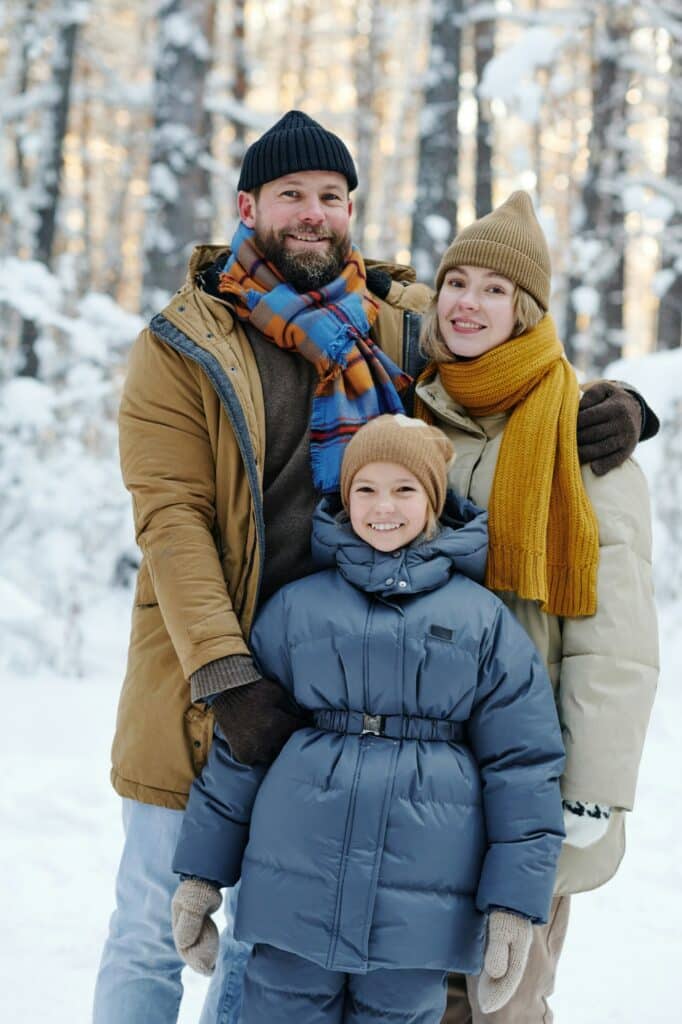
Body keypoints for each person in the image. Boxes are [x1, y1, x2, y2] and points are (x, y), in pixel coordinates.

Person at [92, 107, 656, 1024]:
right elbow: (173, 523)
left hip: (354, 684)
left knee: (275, 939)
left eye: (330, 196)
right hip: (211, 679)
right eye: (290, 196)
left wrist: (618, 404)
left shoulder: (390, 320)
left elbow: (515, 344)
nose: (312, 213)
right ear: (248, 204)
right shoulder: (181, 345)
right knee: (154, 927)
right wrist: (227, 675)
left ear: (350, 210)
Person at [170, 414, 566, 1023]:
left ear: (433, 500)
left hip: (419, 918)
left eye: (405, 489)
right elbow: (241, 754)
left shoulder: (481, 621)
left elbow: (523, 768)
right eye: (367, 489)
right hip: (294, 895)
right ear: (345, 498)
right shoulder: (297, 607)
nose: (384, 506)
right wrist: (201, 876)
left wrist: (514, 908)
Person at [410, 191, 659, 1023]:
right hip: (420, 767)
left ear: (527, 310)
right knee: (419, 998)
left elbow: (616, 640)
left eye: (494, 289)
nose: (469, 303)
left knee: (505, 996)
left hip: (528, 776)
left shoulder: (584, 437)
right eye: (457, 282)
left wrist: (591, 788)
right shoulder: (413, 414)